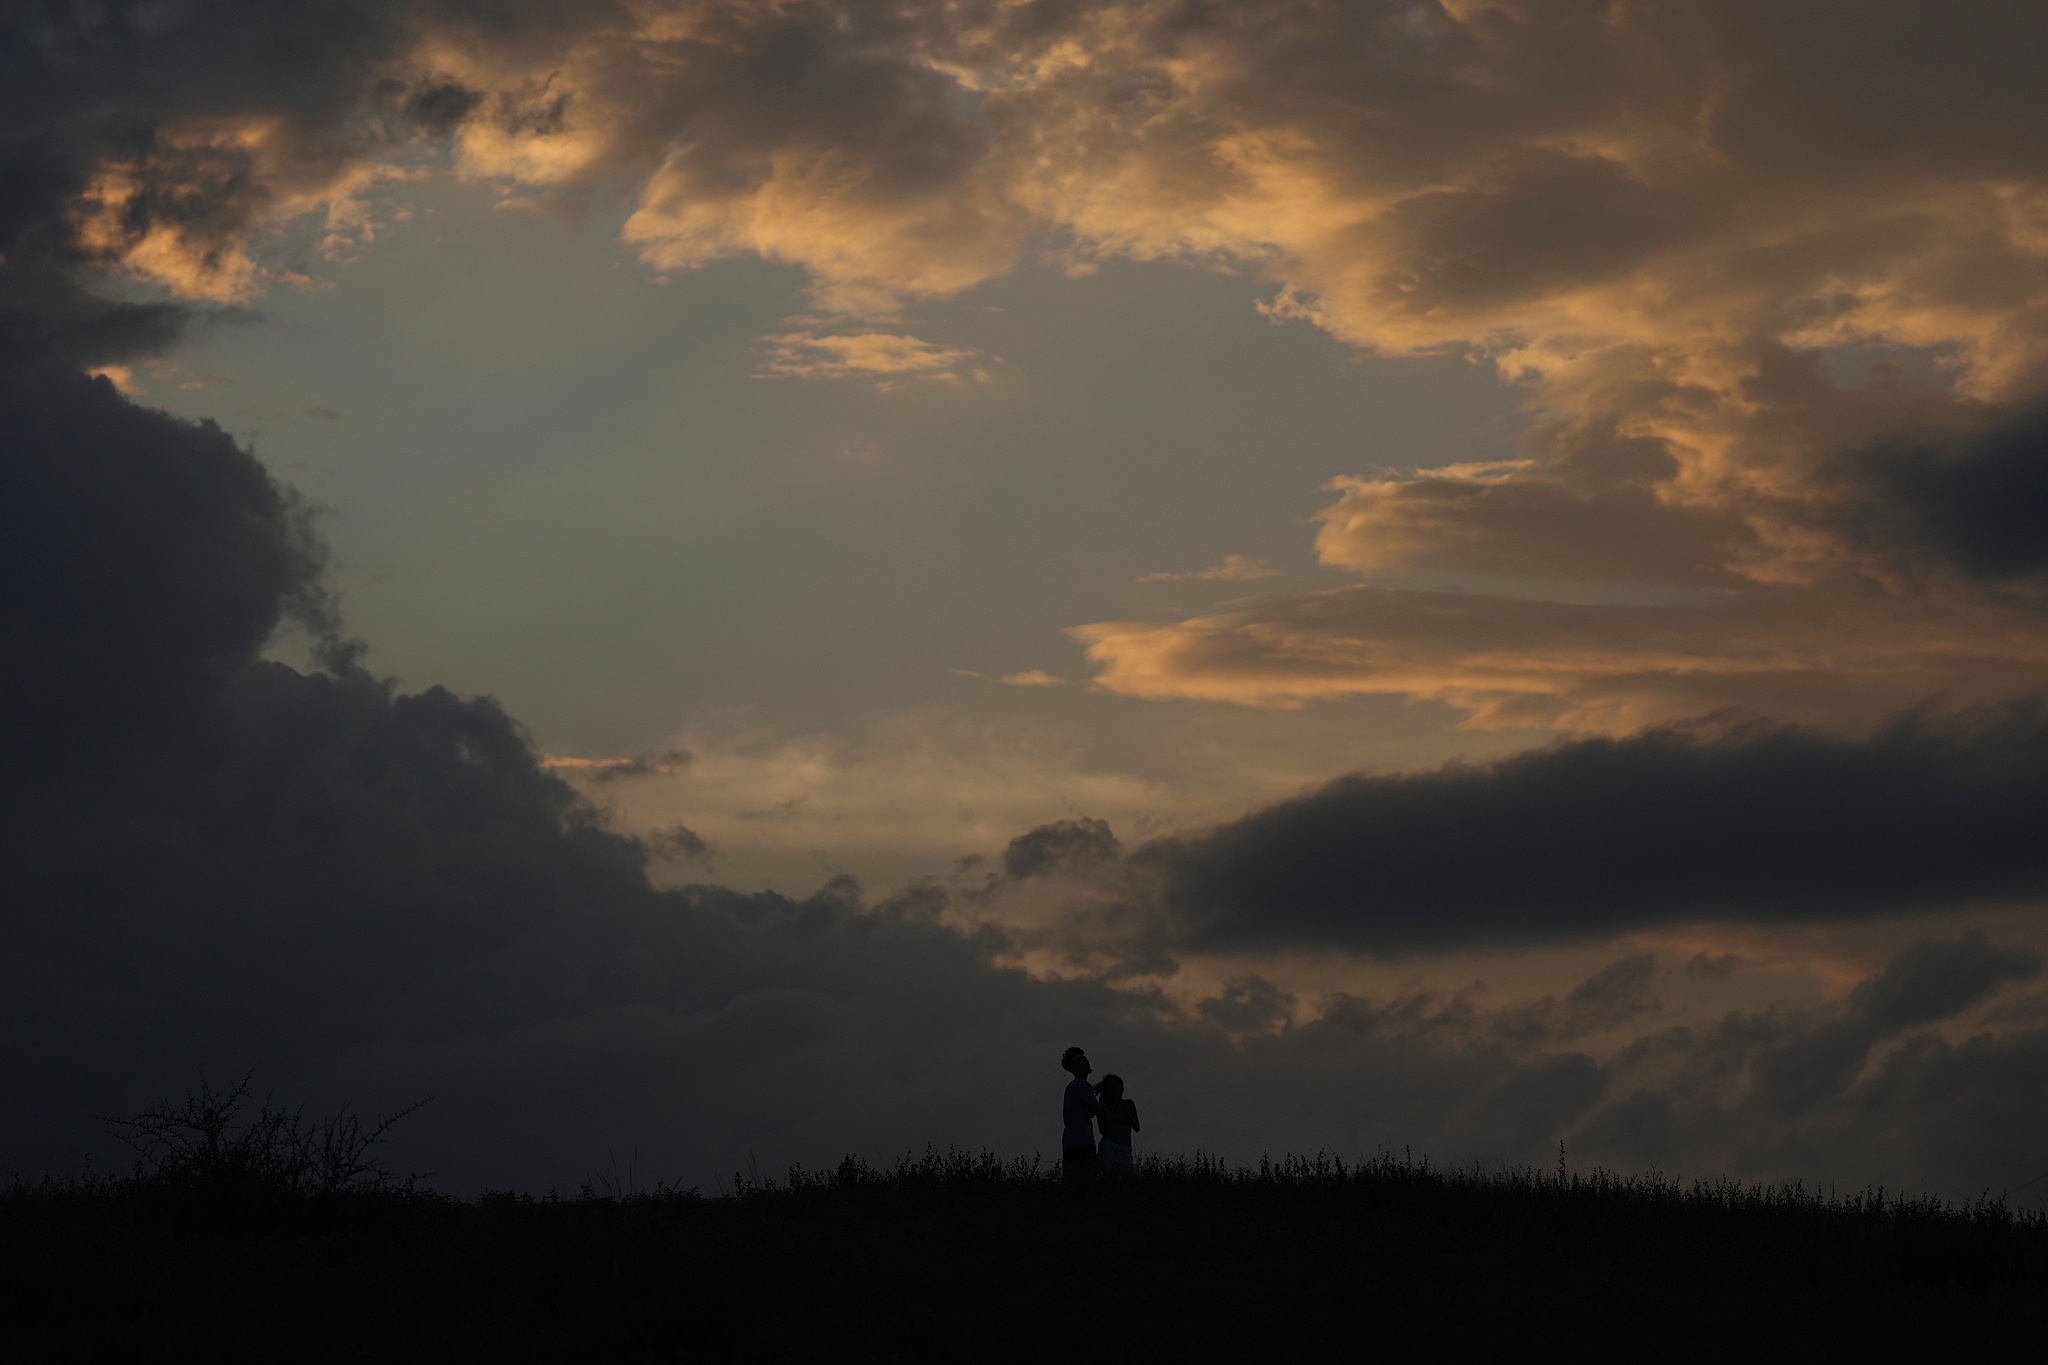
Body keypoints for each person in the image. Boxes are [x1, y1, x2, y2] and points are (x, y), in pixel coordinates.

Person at [1059, 1046, 1099, 1182]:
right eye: (1081, 1060)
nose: (1086, 1061)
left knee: (1073, 1182)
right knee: (1088, 1181)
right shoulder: (1082, 1085)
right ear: (1073, 1067)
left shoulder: (1072, 1087)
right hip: (1083, 1141)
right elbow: (1095, 1109)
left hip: (1071, 1142)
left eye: (1085, 1059)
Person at [1093, 1074, 1140, 1174]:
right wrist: (1114, 1113)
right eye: (1111, 1089)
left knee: (1128, 1176)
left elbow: (1137, 1127)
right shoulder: (1102, 1107)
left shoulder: (1128, 1104)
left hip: (1125, 1147)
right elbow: (1102, 1130)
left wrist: (1127, 1115)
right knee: (1108, 1176)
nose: (1114, 1092)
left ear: (1121, 1089)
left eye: (1117, 1089)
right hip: (1108, 1145)